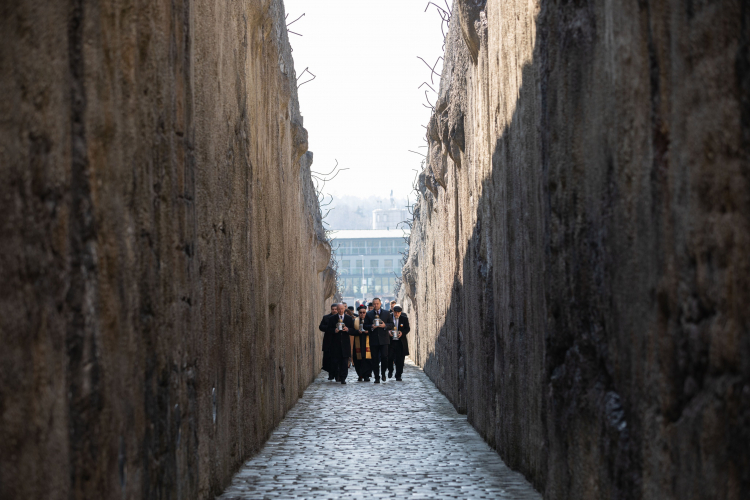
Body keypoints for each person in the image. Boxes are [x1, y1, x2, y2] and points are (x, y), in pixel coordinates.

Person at [364, 297, 394, 383]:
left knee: (384, 357)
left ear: (380, 304)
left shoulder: (386, 313)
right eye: (374, 304)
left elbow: (391, 324)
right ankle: (377, 376)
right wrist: (371, 327)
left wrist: (385, 326)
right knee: (375, 359)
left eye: (377, 304)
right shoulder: (369, 314)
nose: (376, 305)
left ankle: (383, 373)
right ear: (372, 304)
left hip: (384, 339)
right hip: (373, 339)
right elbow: (365, 325)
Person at [387, 304, 410, 381]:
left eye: (398, 312)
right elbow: (385, 326)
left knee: (400, 360)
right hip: (391, 342)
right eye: (395, 312)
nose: (396, 314)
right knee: (389, 357)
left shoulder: (404, 319)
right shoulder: (388, 317)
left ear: (400, 312)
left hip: (400, 342)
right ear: (393, 311)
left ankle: (398, 375)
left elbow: (407, 328)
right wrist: (388, 332)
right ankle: (390, 370)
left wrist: (402, 333)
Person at [350, 304, 372, 382]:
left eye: (364, 312)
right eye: (360, 312)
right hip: (358, 343)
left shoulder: (370, 320)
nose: (362, 314)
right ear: (358, 313)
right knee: (358, 360)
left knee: (367, 360)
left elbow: (374, 330)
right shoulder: (354, 321)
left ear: (366, 312)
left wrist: (368, 332)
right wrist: (357, 332)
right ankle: (360, 375)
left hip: (367, 343)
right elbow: (351, 331)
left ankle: (366, 375)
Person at [319, 303, 340, 381]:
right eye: (333, 309)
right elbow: (321, 327)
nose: (334, 311)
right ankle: (331, 374)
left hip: (338, 342)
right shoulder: (326, 318)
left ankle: (337, 375)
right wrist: (330, 328)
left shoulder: (340, 318)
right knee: (328, 359)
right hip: (328, 341)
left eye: (335, 309)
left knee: (337, 360)